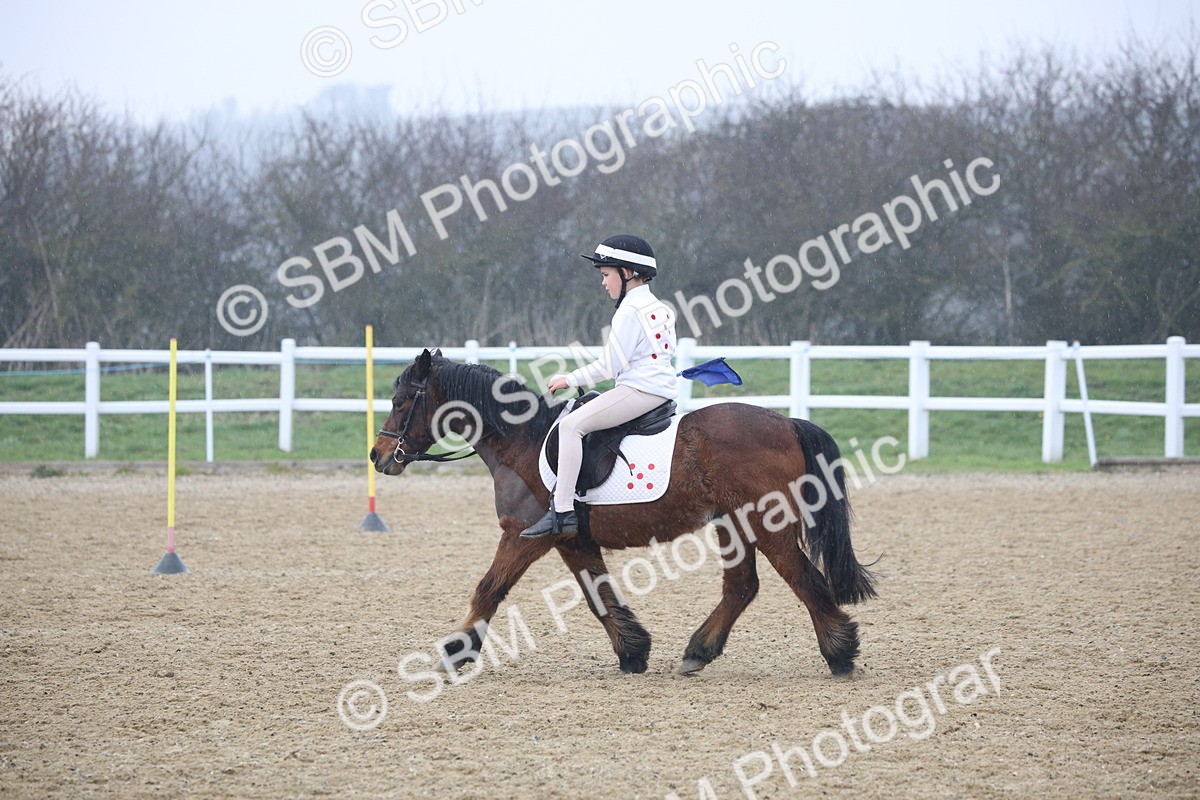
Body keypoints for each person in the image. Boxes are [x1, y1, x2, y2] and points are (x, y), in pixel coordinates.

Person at [521, 234, 679, 538]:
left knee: (570, 427)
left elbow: (609, 366)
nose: (603, 283)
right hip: (656, 388)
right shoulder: (657, 306)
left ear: (628, 273)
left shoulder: (630, 311)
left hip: (639, 391)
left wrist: (570, 379)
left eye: (607, 275)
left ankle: (563, 511)